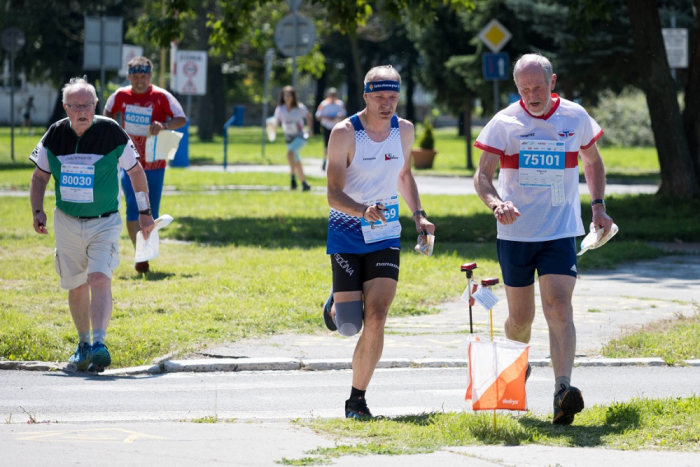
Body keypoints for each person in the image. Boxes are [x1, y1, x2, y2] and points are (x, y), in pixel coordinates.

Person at [473, 53, 614, 425]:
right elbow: (482, 176)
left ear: (553, 83)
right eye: (524, 89)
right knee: (521, 318)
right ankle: (515, 365)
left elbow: (593, 161)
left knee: (558, 305)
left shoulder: (575, 116)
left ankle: (562, 390)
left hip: (560, 230)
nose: (532, 95)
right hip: (516, 233)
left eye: (538, 87)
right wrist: (496, 203)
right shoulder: (504, 122)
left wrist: (597, 206)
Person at [323, 65, 435, 419]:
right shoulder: (344, 133)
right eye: (380, 97)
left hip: (385, 234)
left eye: (393, 97)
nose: (387, 104)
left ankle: (357, 399)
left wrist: (418, 215)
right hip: (346, 232)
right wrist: (361, 210)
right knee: (349, 325)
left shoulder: (404, 130)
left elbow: (404, 175)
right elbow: (332, 194)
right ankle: (337, 304)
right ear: (366, 96)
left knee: (377, 316)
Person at [29, 77, 155, 373]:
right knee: (76, 284)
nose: (82, 110)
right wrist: (38, 211)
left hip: (104, 222)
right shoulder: (55, 134)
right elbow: (39, 178)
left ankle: (99, 343)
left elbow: (136, 172)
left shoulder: (111, 131)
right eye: (75, 105)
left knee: (99, 277)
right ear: (65, 107)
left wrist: (145, 211)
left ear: (95, 105)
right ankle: (83, 345)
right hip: (67, 222)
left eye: (87, 104)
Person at [104, 56, 186, 273]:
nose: (140, 81)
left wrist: (164, 125)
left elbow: (181, 118)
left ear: (150, 76)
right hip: (129, 161)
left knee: (150, 210)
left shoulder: (161, 96)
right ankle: (140, 254)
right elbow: (106, 113)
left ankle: (145, 248)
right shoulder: (120, 95)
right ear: (129, 76)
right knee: (132, 207)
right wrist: (113, 132)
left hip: (155, 163)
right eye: (136, 76)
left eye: (144, 76)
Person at [274, 86, 313, 191]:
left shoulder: (299, 108)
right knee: (296, 160)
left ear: (293, 96)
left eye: (289, 95)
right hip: (289, 138)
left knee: (290, 154)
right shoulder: (280, 109)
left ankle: (292, 179)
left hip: (300, 136)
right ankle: (304, 184)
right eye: (285, 95)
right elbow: (276, 121)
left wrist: (310, 129)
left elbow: (308, 116)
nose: (287, 97)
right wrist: (272, 128)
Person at [315, 87, 346, 171]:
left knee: (337, 146)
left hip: (336, 128)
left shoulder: (340, 104)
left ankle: (336, 162)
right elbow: (318, 116)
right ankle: (325, 161)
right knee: (326, 146)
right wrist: (326, 117)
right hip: (326, 127)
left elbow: (344, 115)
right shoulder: (323, 104)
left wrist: (338, 116)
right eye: (331, 95)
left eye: (334, 95)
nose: (332, 97)